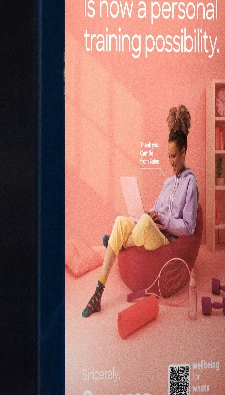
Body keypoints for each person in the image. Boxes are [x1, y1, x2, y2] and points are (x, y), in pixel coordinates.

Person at [82, 105, 198, 317]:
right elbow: (157, 209)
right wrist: (150, 213)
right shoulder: (167, 182)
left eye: (174, 156)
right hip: (153, 229)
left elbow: (189, 228)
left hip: (166, 241)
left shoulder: (191, 184)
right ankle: (99, 291)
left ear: (183, 152)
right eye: (168, 156)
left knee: (142, 224)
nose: (171, 161)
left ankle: (118, 244)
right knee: (121, 221)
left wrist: (162, 219)